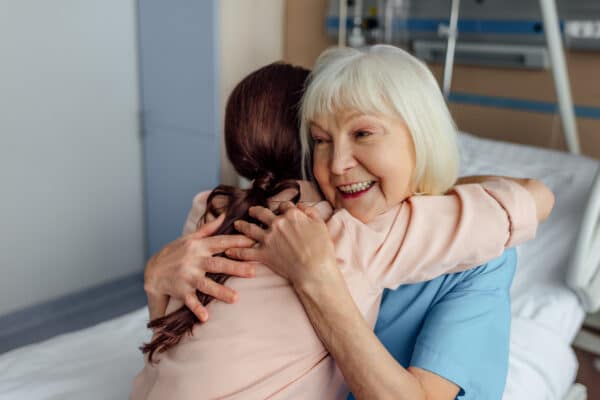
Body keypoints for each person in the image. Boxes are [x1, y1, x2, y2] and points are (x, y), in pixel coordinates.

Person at [139, 50, 554, 400]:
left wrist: (315, 278)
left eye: (364, 133)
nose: (336, 166)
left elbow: (534, 198)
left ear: (421, 137)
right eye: (320, 141)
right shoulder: (334, 226)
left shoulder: (479, 254)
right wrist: (157, 278)